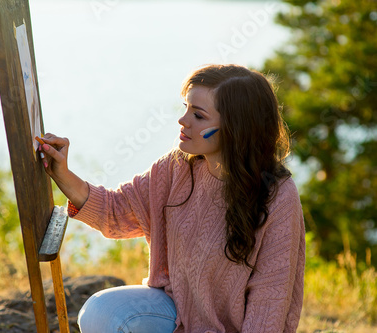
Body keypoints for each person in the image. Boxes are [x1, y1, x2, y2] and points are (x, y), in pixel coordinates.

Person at [37, 64, 305, 333]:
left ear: (236, 128)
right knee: (100, 312)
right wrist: (63, 174)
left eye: (198, 116)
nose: (183, 120)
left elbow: (269, 303)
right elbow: (115, 212)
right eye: (186, 108)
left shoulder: (278, 196)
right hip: (175, 315)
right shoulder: (177, 167)